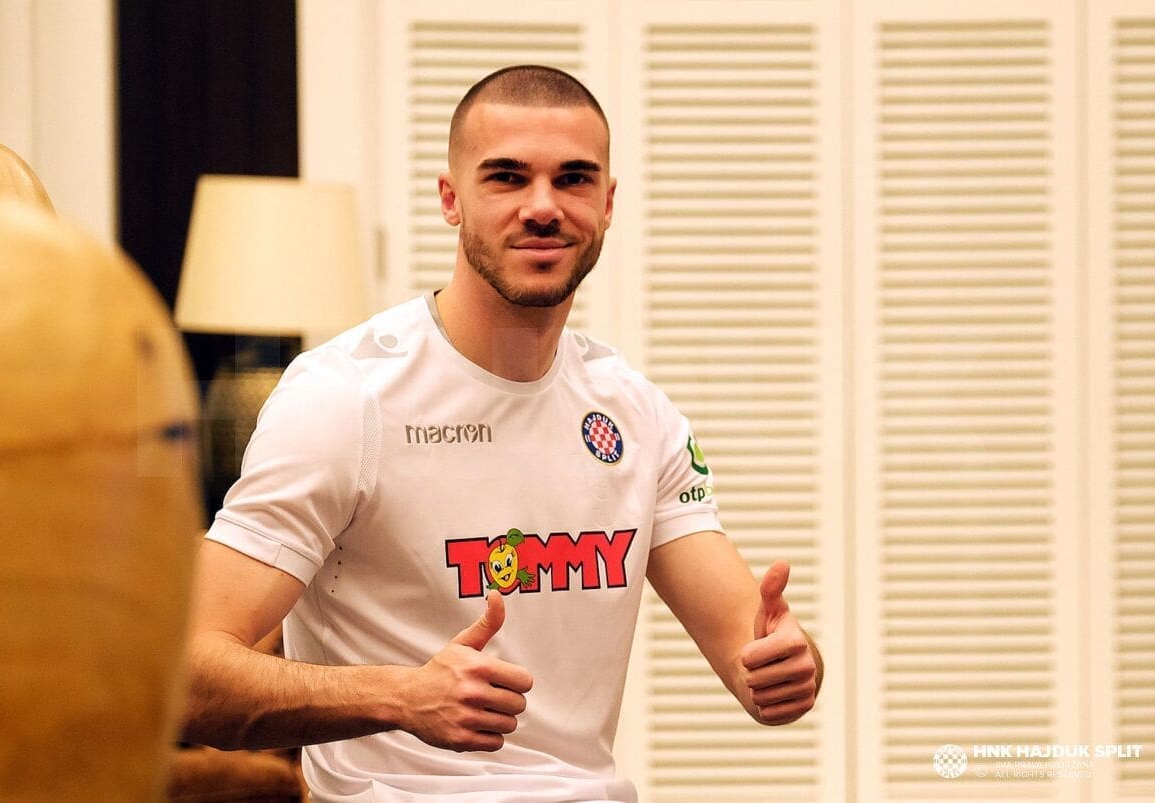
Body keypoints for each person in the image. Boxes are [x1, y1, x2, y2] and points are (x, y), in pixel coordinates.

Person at [183, 64, 823, 802]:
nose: (543, 207)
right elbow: (186, 674)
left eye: (574, 179)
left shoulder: (637, 414)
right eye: (507, 177)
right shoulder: (344, 398)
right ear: (451, 199)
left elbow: (754, 652)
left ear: (608, 203)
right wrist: (402, 696)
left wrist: (789, 663)